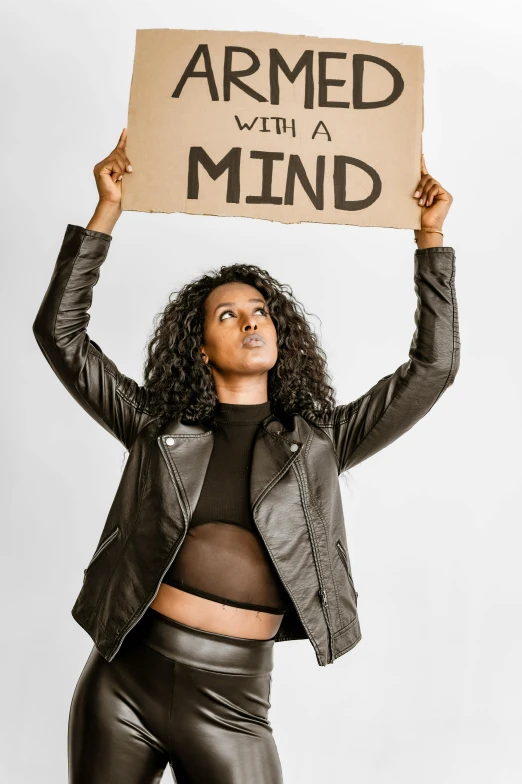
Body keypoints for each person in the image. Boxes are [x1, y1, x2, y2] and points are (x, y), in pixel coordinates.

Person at [33, 128, 460, 783]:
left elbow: (432, 369)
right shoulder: (156, 428)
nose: (251, 321)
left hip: (234, 702)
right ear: (200, 345)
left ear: (280, 334)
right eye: (227, 315)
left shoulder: (320, 441)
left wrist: (429, 237)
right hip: (123, 682)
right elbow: (61, 335)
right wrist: (107, 211)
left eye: (259, 311)